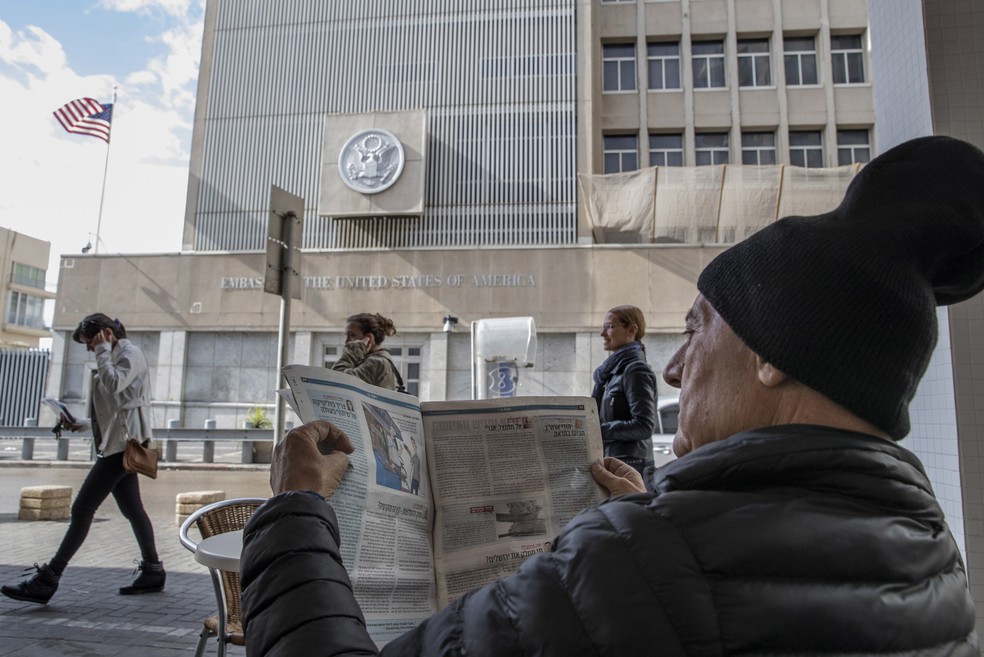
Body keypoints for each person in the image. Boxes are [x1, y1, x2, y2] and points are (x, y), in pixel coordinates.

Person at [238, 136, 983, 655]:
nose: (676, 369)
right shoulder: (932, 556)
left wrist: (295, 510)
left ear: (770, 356)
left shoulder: (636, 562)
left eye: (697, 330)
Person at [2, 314, 165, 605]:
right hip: (117, 442)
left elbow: (114, 385)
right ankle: (153, 570)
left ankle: (48, 579)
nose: (89, 348)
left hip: (122, 447)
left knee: (82, 509)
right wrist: (77, 421)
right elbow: (115, 410)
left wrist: (103, 350)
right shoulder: (114, 354)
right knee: (133, 510)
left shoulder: (128, 353)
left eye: (90, 341)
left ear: (105, 333)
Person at [592, 305, 658, 476]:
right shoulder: (612, 372)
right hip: (617, 461)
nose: (602, 333)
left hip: (631, 465)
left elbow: (644, 426)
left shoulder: (635, 370)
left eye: (609, 327)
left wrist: (596, 430)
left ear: (631, 329)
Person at [332, 312, 400, 390]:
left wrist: (353, 351)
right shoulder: (368, 360)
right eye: (346, 335)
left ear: (369, 338)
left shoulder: (376, 363)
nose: (347, 341)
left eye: (352, 335)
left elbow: (336, 379)